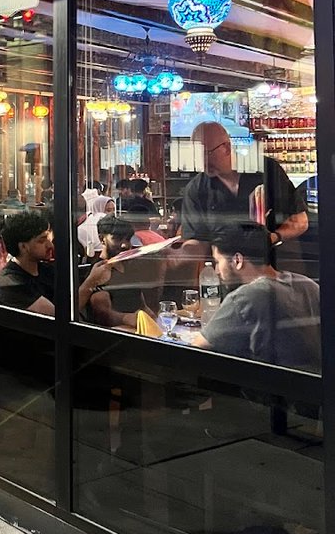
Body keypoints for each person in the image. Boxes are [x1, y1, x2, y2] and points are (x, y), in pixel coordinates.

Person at [192, 222, 320, 372]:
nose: (217, 271)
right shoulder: (308, 285)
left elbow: (197, 349)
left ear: (237, 260)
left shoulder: (245, 298)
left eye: (218, 262)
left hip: (269, 385)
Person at [181, 123, 307, 263]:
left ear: (226, 148)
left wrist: (272, 238)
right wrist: (178, 254)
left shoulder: (266, 170)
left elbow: (300, 221)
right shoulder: (196, 189)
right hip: (225, 270)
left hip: (274, 265)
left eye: (207, 154)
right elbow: (196, 241)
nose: (202, 162)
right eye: (196, 155)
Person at [82, 214, 162, 328]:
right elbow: (103, 314)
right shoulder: (98, 272)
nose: (125, 245)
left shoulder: (131, 268)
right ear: (102, 239)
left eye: (128, 239)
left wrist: (157, 321)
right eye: (117, 239)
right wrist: (126, 318)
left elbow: (142, 306)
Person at [0, 211, 54, 315]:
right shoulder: (8, 282)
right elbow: (58, 316)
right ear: (23, 247)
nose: (50, 245)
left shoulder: (48, 270)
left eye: (49, 239)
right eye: (42, 241)